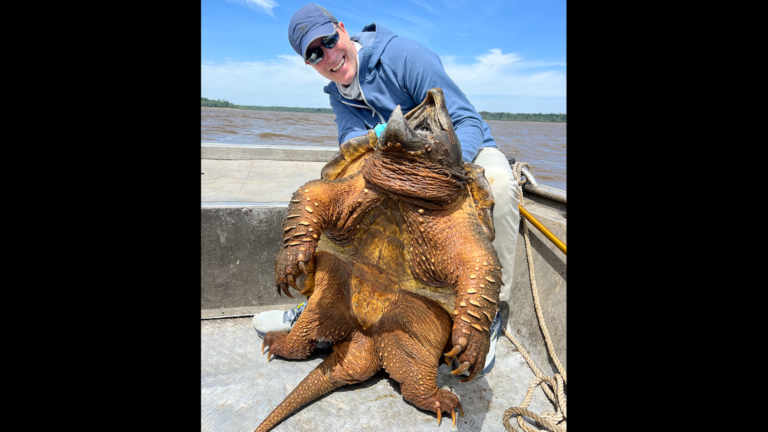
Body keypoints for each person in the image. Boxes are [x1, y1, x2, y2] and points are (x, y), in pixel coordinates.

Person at [253, 3, 521, 377]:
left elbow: (465, 118)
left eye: (329, 41)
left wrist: (448, 170)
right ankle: (322, 304)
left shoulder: (402, 56)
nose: (328, 56)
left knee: (502, 185)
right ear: (308, 62)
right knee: (333, 186)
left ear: (342, 30)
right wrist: (372, 142)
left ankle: (488, 313)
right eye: (314, 53)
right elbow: (349, 141)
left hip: (453, 157)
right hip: (391, 169)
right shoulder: (337, 91)